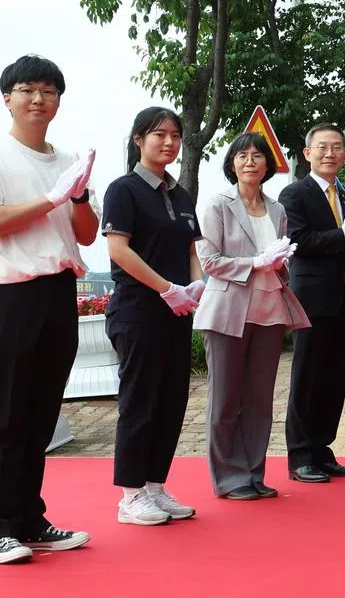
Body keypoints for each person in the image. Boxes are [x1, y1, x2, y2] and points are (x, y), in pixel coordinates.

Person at [0, 56, 95, 563]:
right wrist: (48, 199)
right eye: (27, 89)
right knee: (7, 412)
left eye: (49, 91)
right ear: (7, 98)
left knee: (41, 412)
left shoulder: (68, 159)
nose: (39, 99)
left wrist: (76, 196)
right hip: (11, 293)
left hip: (59, 289)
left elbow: (85, 233)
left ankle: (28, 519)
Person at [193, 133, 310, 501]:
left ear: (268, 165)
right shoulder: (217, 204)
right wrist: (254, 263)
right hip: (228, 309)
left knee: (260, 398)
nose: (250, 162)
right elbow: (209, 260)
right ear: (231, 164)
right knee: (225, 397)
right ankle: (228, 477)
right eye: (242, 156)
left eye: (257, 156)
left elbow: (278, 261)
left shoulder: (277, 210)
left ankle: (253, 472)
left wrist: (277, 263)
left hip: (269, 309)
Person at [102, 107, 204, 525]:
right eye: (158, 134)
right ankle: (130, 494)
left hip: (178, 312)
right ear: (138, 139)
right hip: (139, 311)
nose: (168, 142)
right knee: (140, 400)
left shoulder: (180, 195)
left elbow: (192, 249)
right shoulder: (123, 190)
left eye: (175, 136)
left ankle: (155, 487)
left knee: (171, 399)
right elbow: (118, 250)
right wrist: (166, 288)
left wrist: (195, 286)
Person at [278, 123, 345, 483]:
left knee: (334, 379)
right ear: (307, 153)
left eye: (337, 147)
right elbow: (299, 241)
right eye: (322, 147)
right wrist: (343, 233)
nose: (330, 154)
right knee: (307, 377)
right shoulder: (294, 195)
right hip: (311, 300)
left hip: (343, 299)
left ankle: (322, 450)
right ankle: (300, 455)